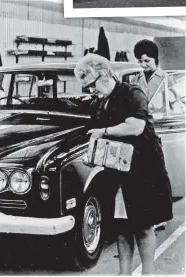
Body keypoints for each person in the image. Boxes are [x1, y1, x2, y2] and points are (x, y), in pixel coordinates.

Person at [74, 54, 173, 275]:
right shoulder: (100, 102)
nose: (91, 92)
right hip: (117, 173)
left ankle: (148, 272)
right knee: (121, 227)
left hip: (143, 172)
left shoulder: (132, 93)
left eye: (91, 86)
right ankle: (124, 273)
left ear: (103, 74)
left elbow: (136, 127)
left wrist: (105, 132)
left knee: (143, 226)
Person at [132, 39, 177, 230]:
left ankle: (162, 215)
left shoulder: (167, 79)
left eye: (147, 61)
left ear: (155, 60)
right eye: (140, 61)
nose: (143, 65)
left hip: (160, 130)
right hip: (143, 132)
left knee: (159, 175)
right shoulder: (136, 79)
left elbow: (175, 104)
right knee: (146, 175)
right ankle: (149, 214)